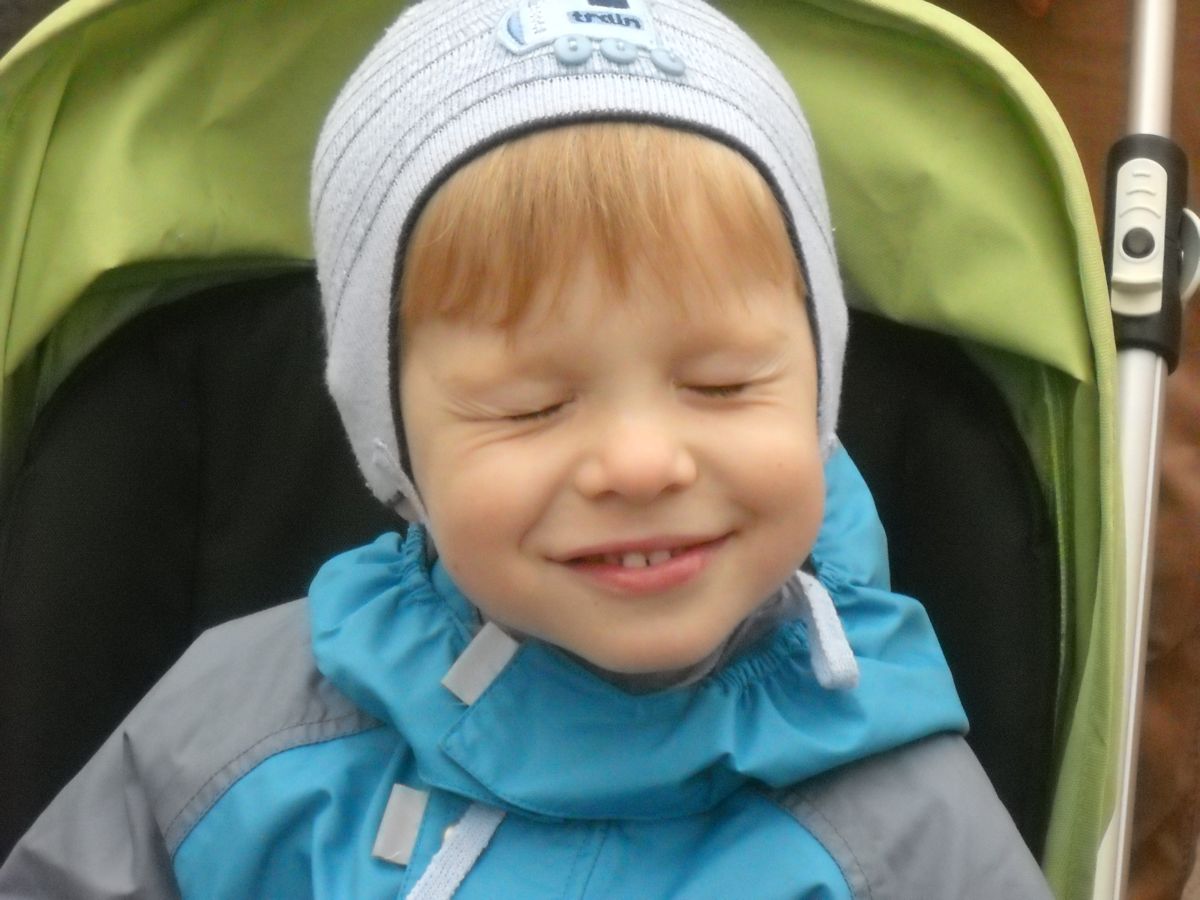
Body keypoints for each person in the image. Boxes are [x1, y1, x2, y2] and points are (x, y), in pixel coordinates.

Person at [0, 0, 1054, 896]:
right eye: (532, 406)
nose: (640, 463)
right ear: (395, 447)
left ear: (818, 394)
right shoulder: (239, 744)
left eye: (722, 385)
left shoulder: (909, 836)